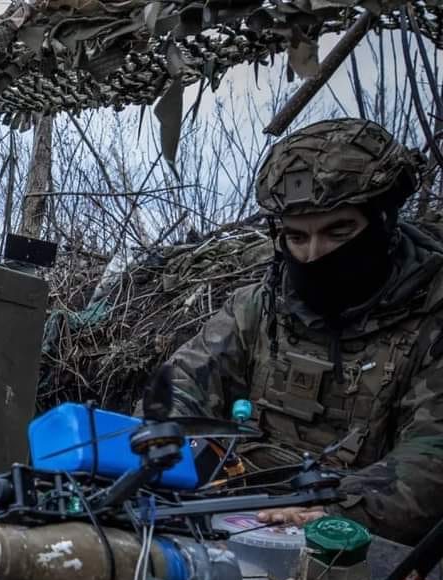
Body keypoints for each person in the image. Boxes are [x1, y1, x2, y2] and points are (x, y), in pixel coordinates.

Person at [162, 118, 443, 546]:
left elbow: (430, 463)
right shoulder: (257, 306)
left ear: (384, 222)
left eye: (338, 231)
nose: (313, 256)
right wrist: (163, 451)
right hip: (233, 515)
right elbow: (180, 384)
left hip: (355, 543)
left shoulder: (432, 318)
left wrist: (327, 511)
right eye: (296, 236)